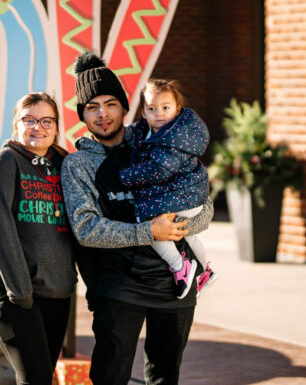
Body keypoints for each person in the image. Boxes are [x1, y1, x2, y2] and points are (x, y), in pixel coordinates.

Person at [61, 52, 214, 385]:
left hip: (174, 289)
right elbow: (87, 230)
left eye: (111, 104)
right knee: (110, 377)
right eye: (92, 107)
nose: (103, 114)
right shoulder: (78, 166)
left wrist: (178, 227)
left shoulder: (154, 142)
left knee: (164, 378)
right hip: (119, 289)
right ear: (82, 115)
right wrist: (150, 232)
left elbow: (205, 205)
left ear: (126, 107)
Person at [0, 92, 77, 385]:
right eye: (29, 120)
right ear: (16, 125)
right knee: (33, 379)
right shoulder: (6, 162)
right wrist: (21, 293)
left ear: (57, 127)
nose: (38, 127)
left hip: (57, 293)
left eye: (46, 120)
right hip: (15, 294)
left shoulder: (64, 166)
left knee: (42, 378)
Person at [119, 78, 217, 300]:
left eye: (165, 107)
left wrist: (124, 176)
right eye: (151, 109)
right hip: (186, 194)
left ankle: (179, 267)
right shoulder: (151, 131)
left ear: (177, 110)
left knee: (151, 227)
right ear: (143, 112)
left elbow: (157, 170)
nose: (158, 114)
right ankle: (205, 271)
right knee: (189, 237)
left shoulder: (176, 137)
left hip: (185, 196)